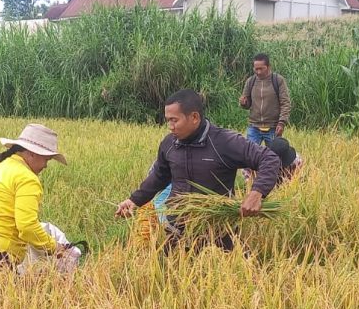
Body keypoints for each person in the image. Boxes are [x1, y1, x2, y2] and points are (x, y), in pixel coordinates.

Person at [116, 89, 280, 250]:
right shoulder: (169, 144)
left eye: (174, 120)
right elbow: (159, 176)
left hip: (217, 229)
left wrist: (256, 193)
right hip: (178, 227)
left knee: (235, 272)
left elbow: (269, 159)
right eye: (168, 120)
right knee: (168, 272)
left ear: (194, 117)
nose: (170, 127)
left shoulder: (224, 142)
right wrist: (134, 200)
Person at [0, 124, 68, 266]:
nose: (45, 166)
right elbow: (27, 226)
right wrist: (54, 247)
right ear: (32, 153)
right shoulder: (27, 178)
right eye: (46, 160)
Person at [239, 53, 291, 146]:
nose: (258, 72)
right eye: (256, 69)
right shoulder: (250, 81)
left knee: (273, 157)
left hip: (273, 127)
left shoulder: (278, 80)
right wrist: (243, 103)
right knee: (250, 157)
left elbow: (285, 103)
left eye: (261, 69)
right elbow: (247, 104)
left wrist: (282, 123)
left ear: (268, 67)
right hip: (254, 127)